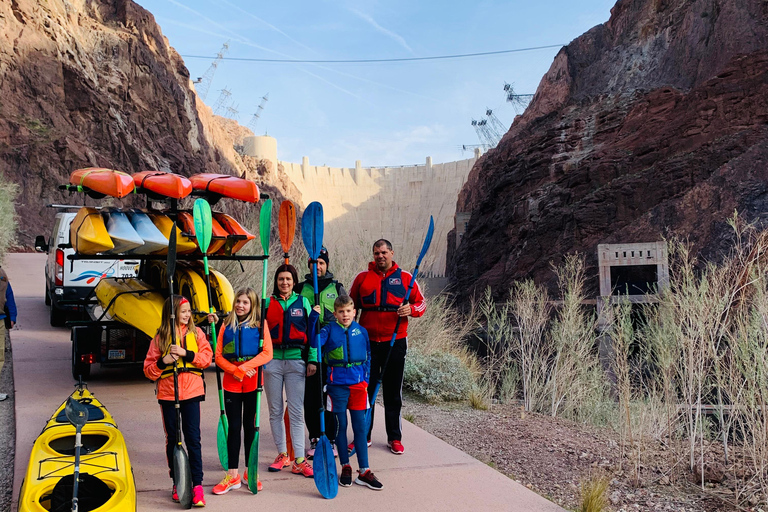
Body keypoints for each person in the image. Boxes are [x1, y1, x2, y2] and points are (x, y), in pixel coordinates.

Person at [348, 239, 426, 455]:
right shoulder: (362, 278)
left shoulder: (406, 278)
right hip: (367, 344)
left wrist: (411, 309)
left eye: (383, 252)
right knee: (365, 389)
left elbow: (422, 303)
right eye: (376, 253)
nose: (380, 256)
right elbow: (349, 306)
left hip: (396, 341)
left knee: (393, 392)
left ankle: (395, 438)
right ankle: (364, 436)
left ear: (391, 252)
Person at [144, 295, 212, 507]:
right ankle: (177, 482)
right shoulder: (160, 338)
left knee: (193, 438)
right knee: (173, 439)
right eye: (183, 311)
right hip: (168, 393)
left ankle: (198, 486)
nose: (187, 315)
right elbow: (148, 371)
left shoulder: (197, 333)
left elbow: (206, 359)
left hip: (191, 392)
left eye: (189, 311)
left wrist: (186, 353)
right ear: (171, 314)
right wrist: (163, 362)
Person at [315, 295, 382, 490]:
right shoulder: (328, 330)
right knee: (340, 426)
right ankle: (345, 466)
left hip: (358, 386)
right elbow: (315, 343)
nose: (345, 315)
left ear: (354, 312)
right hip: (337, 386)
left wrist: (365, 380)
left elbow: (368, 356)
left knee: (360, 428)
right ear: (335, 314)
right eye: (341, 312)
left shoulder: (361, 331)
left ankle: (364, 471)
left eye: (348, 311)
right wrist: (313, 318)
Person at [210, 288, 273, 495]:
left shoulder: (259, 324)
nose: (240, 306)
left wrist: (245, 368)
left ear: (252, 305)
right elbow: (218, 356)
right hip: (232, 382)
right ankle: (232, 474)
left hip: (253, 381)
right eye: (238, 301)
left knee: (250, 425)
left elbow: (267, 353)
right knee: (234, 426)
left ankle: (249, 472)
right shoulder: (226, 325)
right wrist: (235, 370)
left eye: (245, 302)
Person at [263, 264, 319, 477]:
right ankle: (282, 454)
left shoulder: (303, 302)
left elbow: (313, 333)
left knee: (296, 412)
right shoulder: (267, 303)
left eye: (288, 279)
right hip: (272, 362)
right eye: (280, 279)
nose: (284, 283)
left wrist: (312, 359)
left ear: (294, 282)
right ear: (276, 282)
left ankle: (299, 460)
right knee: (275, 411)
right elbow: (259, 332)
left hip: (296, 362)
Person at [298, 247, 344, 459]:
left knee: (330, 396)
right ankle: (315, 436)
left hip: (331, 353)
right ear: (309, 265)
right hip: (309, 352)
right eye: (314, 263)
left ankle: (331, 438)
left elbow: (347, 317)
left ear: (327, 265)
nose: (317, 267)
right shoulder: (300, 288)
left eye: (321, 263)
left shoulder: (338, 288)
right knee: (312, 396)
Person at [0, 265, 17, 402]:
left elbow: (8, 295)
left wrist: (12, 316)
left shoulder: (1, 273)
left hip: (0, 319)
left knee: (0, 356)